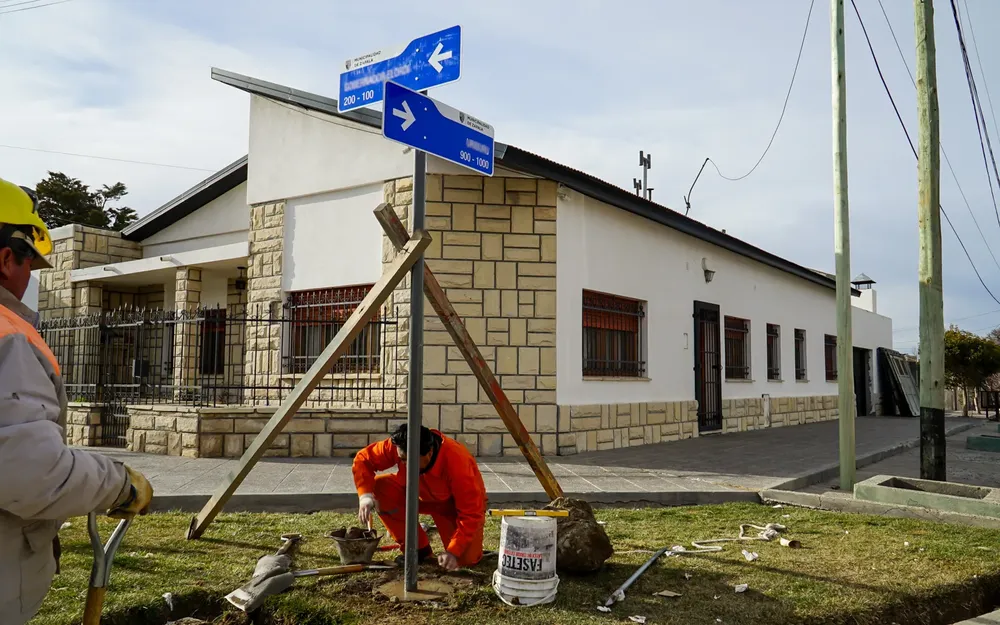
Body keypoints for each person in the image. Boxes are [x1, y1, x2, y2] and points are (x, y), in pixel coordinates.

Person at [0, 178, 154, 625]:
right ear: (8, 257)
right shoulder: (8, 337)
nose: (30, 277)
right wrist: (120, 483)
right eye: (31, 262)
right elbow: (30, 474)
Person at [353, 424, 487, 571]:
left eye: (407, 461)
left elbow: (471, 514)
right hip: (417, 498)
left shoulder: (457, 462)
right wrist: (365, 495)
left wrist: (453, 551)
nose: (403, 463)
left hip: (451, 507)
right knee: (380, 487)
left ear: (429, 453)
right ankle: (417, 549)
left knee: (466, 559)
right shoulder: (401, 446)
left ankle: (457, 550)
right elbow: (363, 459)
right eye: (401, 459)